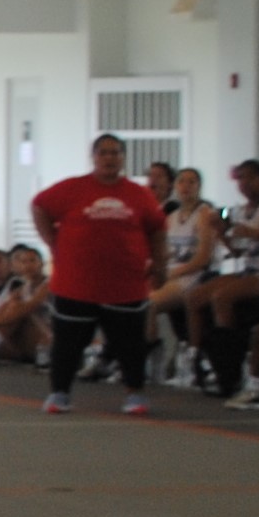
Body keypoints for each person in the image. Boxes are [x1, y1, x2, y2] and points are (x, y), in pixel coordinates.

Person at [32, 133, 165, 416]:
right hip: (76, 285)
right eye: (103, 153)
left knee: (130, 344)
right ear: (93, 157)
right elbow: (40, 206)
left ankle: (134, 394)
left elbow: (157, 229)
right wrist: (54, 242)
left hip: (125, 286)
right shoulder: (71, 189)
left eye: (115, 153)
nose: (109, 158)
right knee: (68, 343)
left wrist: (160, 266)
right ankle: (60, 394)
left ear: (123, 158)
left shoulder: (139, 194)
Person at [188, 159, 259, 402]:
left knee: (222, 297)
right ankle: (199, 358)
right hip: (248, 267)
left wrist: (252, 233)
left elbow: (256, 238)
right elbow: (238, 252)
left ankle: (231, 362)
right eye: (240, 179)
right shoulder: (242, 210)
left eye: (249, 178)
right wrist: (222, 233)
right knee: (195, 296)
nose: (244, 184)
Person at [142, 165, 222, 389]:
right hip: (173, 274)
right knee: (138, 298)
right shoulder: (172, 217)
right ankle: (150, 355)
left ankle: (179, 360)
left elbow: (203, 257)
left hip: (195, 275)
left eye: (191, 182)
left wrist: (173, 272)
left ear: (199, 186)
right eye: (182, 181)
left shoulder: (205, 213)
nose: (186, 186)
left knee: (149, 304)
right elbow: (166, 252)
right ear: (175, 186)